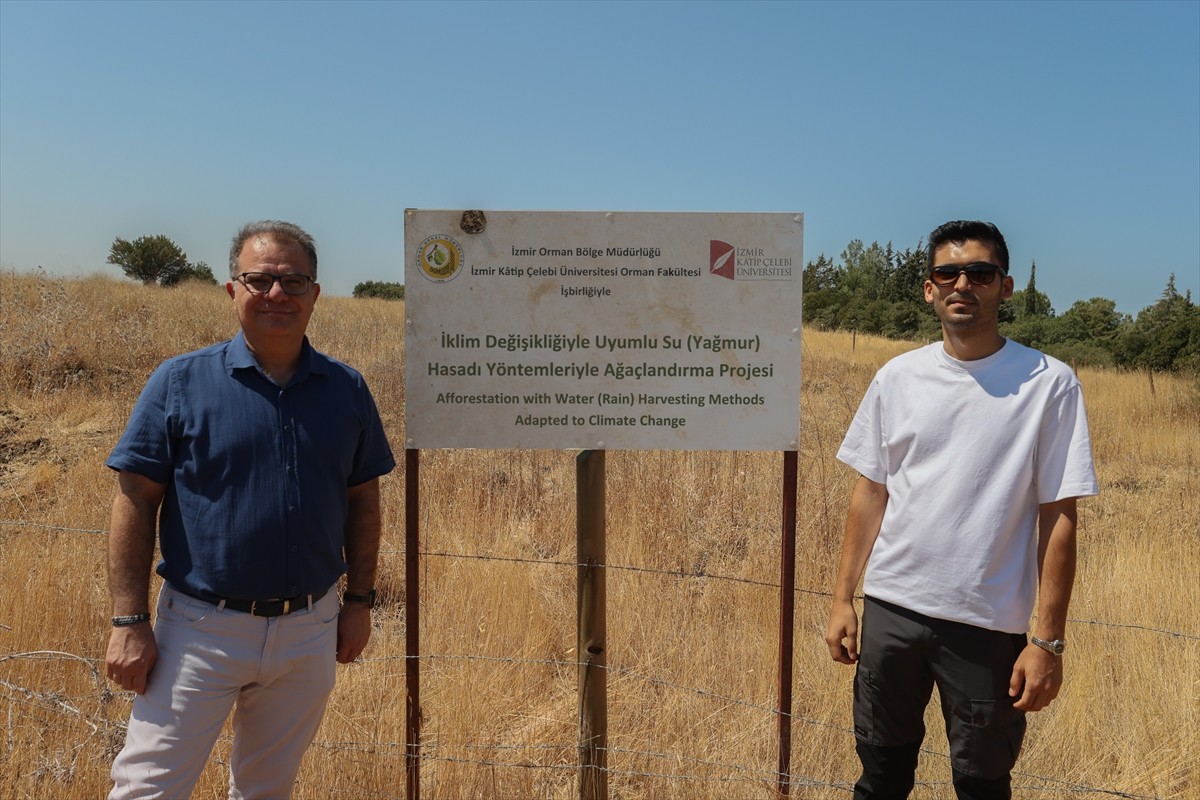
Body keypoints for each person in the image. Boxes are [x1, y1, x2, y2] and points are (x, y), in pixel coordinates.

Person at [104, 220, 396, 799]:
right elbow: (135, 500)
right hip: (199, 628)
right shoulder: (180, 382)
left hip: (309, 630)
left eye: (293, 280)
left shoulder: (347, 389)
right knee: (149, 787)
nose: (276, 294)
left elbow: (363, 499)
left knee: (267, 789)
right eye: (259, 279)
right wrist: (129, 621)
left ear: (316, 293)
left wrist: (358, 602)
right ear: (232, 290)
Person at [824, 220, 1098, 800]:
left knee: (980, 786)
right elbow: (871, 493)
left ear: (1005, 286)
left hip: (986, 626)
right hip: (892, 610)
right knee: (879, 779)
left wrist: (1047, 642)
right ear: (929, 289)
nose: (962, 284)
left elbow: (1059, 515)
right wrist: (843, 598)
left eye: (980, 273)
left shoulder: (1050, 384)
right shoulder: (897, 378)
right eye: (948, 273)